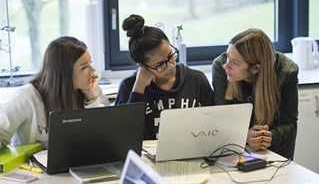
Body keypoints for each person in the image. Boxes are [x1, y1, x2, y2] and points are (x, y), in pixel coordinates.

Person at [115, 14, 215, 140]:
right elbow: (122, 136)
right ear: (142, 66)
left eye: (170, 56)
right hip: (146, 159)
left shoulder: (196, 80)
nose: (170, 66)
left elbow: (214, 124)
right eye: (160, 64)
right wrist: (138, 88)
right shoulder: (129, 87)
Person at [0, 36, 109, 149]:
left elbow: (107, 136)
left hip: (79, 163)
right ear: (64, 73)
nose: (93, 70)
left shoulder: (93, 90)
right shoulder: (26, 97)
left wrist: (92, 99)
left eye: (90, 62)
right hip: (32, 166)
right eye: (84, 67)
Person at [212, 28, 299, 159]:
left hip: (275, 154)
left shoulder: (287, 72)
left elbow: (290, 123)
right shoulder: (220, 66)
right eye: (228, 56)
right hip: (233, 149)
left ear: (256, 68)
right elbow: (221, 119)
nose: (226, 65)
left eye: (234, 63)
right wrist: (244, 135)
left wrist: (269, 136)